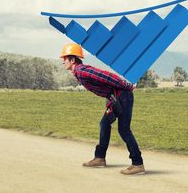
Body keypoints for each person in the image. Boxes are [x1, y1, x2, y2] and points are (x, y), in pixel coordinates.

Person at [60, 42, 145, 175]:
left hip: (123, 95)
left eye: (64, 59)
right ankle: (100, 158)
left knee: (124, 130)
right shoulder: (79, 72)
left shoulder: (82, 71)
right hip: (115, 98)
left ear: (72, 59)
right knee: (104, 124)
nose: (62, 62)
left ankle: (138, 164)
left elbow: (106, 76)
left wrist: (127, 86)